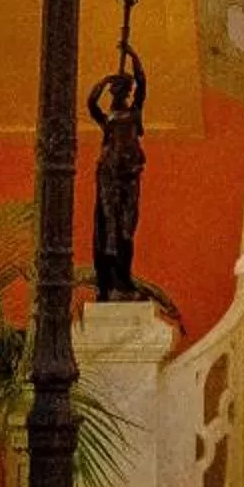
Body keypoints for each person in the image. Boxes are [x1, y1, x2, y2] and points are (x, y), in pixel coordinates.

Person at [88, 47, 147, 299]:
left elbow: (143, 84)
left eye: (122, 89)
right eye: (117, 90)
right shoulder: (108, 119)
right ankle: (109, 282)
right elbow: (91, 104)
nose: (119, 94)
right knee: (109, 229)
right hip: (108, 178)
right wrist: (102, 82)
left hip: (130, 178)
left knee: (126, 229)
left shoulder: (134, 113)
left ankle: (124, 278)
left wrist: (133, 57)